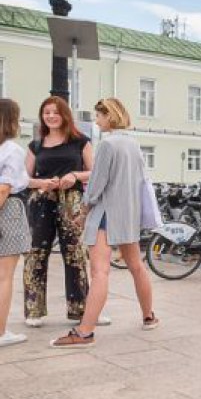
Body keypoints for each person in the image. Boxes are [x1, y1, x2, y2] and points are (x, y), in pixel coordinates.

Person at [51, 98, 158, 348]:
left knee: (99, 272)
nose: (97, 121)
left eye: (99, 116)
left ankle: (85, 332)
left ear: (109, 116)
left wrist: (83, 211)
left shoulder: (107, 145)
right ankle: (149, 316)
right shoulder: (133, 144)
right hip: (128, 215)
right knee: (137, 267)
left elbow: (97, 186)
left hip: (106, 215)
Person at [23, 96, 92, 327]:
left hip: (71, 200)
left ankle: (80, 310)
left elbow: (94, 172)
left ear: (64, 115)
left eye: (55, 112)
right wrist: (41, 183)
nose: (51, 116)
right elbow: (24, 178)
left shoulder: (80, 141)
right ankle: (34, 310)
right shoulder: (36, 145)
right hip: (41, 200)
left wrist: (74, 175)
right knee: (36, 254)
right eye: (46, 112)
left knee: (74, 254)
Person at [0, 99, 31, 347]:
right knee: (4, 277)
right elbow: (4, 189)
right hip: (7, 210)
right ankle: (0, 332)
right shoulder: (12, 150)